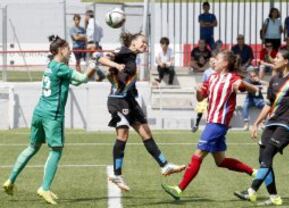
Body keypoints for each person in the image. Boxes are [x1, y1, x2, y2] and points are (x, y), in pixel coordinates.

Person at [2, 35, 96, 205]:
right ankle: (44, 188)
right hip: (53, 115)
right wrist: (94, 64)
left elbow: (75, 82)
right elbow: (82, 79)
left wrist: (86, 71)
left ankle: (10, 181)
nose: (70, 51)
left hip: (39, 111)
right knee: (56, 150)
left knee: (32, 147)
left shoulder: (51, 66)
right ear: (60, 50)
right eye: (67, 48)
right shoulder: (61, 67)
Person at [161, 50, 259, 200]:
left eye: (217, 58)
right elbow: (201, 97)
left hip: (218, 123)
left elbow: (248, 88)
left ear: (225, 63)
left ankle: (178, 189)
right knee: (220, 161)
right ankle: (254, 172)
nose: (214, 60)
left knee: (198, 154)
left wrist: (247, 85)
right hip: (212, 122)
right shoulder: (212, 78)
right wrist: (198, 90)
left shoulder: (233, 78)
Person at [98, 32, 186, 192]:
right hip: (118, 101)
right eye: (143, 42)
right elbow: (102, 59)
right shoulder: (123, 51)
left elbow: (127, 78)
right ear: (133, 41)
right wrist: (116, 66)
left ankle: (165, 166)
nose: (145, 45)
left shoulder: (132, 56)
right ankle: (117, 174)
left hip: (130, 100)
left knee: (146, 133)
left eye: (146, 43)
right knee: (123, 135)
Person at [234, 50, 289, 206]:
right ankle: (274, 197)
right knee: (263, 158)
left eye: (278, 57)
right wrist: (256, 123)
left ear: (286, 61)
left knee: (268, 153)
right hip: (272, 122)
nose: (274, 60)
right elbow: (268, 104)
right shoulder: (273, 80)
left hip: (288, 123)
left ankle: (251, 191)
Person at [191, 57, 216, 133]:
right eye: (212, 61)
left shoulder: (218, 71)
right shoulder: (207, 72)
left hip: (215, 93)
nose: (213, 63)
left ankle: (213, 126)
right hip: (207, 93)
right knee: (201, 108)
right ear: (209, 63)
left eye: (214, 62)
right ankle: (196, 124)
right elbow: (203, 82)